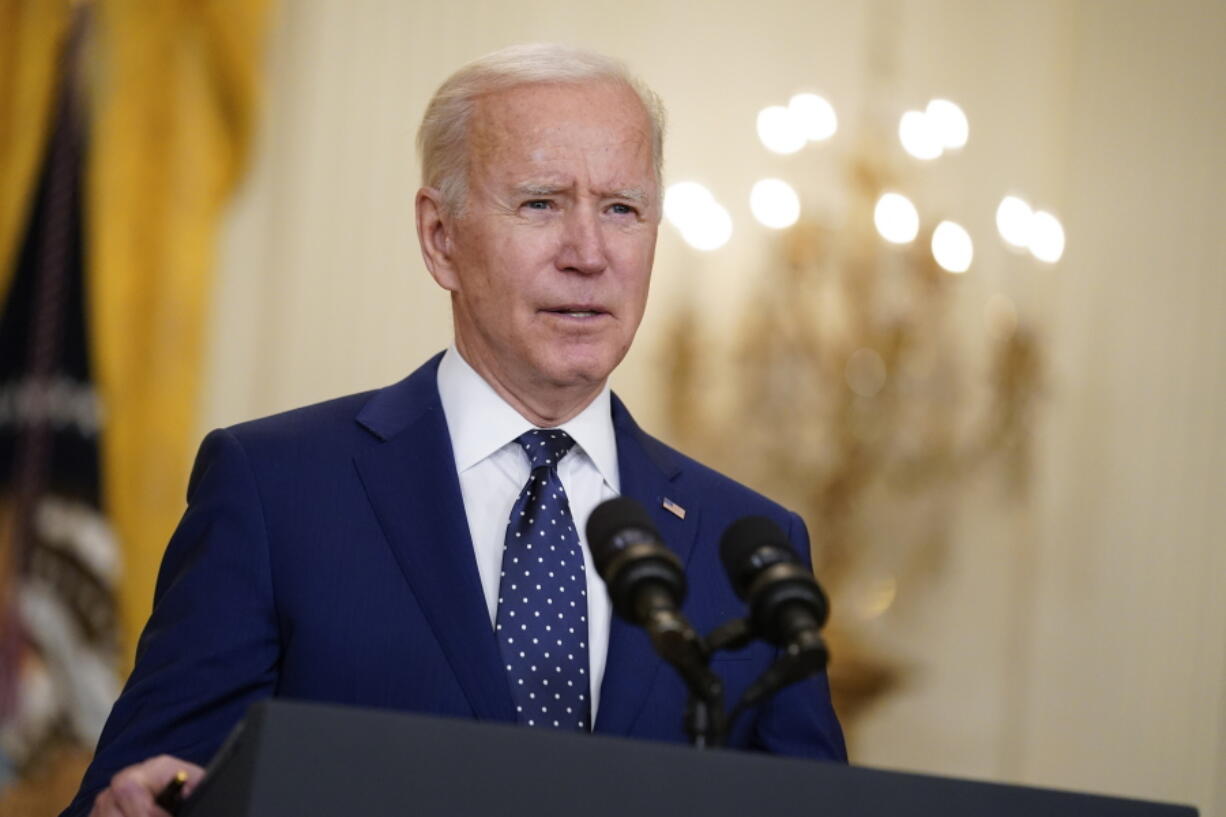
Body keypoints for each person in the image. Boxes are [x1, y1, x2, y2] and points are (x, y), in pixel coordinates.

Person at [65, 43, 846, 817]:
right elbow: (138, 790)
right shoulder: (276, 491)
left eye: (622, 208)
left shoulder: (747, 543)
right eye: (541, 203)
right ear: (441, 238)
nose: (589, 253)